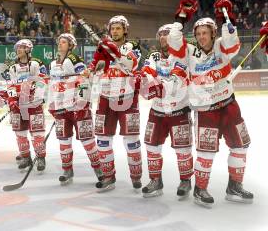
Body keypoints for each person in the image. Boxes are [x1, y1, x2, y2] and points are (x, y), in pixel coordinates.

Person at [168, 0, 253, 207]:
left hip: (229, 104)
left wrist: (226, 18)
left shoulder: (220, 46)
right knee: (206, 151)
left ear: (213, 33)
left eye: (205, 33)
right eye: (198, 34)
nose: (201, 37)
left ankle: (234, 186)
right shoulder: (188, 52)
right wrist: (180, 19)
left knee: (241, 146)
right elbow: (173, 41)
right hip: (206, 109)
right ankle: (200, 189)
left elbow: (233, 44)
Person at [85, 15, 143, 192]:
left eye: (119, 28)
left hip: (127, 98)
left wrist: (113, 53)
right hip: (105, 98)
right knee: (102, 140)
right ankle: (108, 176)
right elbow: (94, 69)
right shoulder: (103, 49)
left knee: (131, 140)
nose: (115, 31)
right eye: (113, 28)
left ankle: (136, 175)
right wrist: (90, 71)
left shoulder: (133, 47)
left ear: (125, 30)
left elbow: (129, 65)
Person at [139, 24, 193, 199]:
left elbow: (176, 81)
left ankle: (185, 181)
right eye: (160, 34)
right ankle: (156, 180)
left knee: (183, 149)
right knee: (151, 145)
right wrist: (147, 83)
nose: (163, 37)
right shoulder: (153, 56)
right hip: (157, 110)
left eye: (167, 34)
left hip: (179, 110)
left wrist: (158, 85)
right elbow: (146, 74)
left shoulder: (182, 56)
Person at [47, 33, 103, 186]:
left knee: (87, 140)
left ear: (71, 45)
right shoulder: (52, 64)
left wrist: (82, 102)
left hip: (77, 108)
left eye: (63, 42)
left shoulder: (75, 60)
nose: (60, 44)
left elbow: (84, 80)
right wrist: (51, 105)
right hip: (61, 109)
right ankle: (67, 170)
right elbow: (52, 85)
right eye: (59, 41)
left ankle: (99, 169)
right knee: (64, 141)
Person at [0, 39, 47, 172]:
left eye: (21, 47)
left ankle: (41, 157)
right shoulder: (13, 67)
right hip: (18, 106)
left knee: (37, 133)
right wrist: (12, 99)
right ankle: (26, 157)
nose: (18, 50)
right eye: (17, 48)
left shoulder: (37, 63)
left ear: (28, 49)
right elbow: (11, 85)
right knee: (20, 133)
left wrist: (37, 97)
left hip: (33, 104)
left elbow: (43, 81)